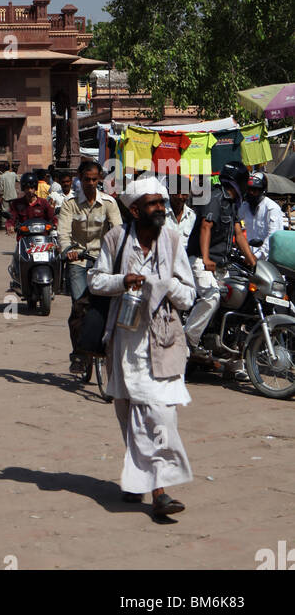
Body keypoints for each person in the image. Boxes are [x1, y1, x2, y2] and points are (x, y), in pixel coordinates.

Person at [89, 175, 197, 520]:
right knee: (128, 413)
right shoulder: (116, 239)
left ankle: (160, 492)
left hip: (164, 341)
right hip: (124, 341)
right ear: (135, 210)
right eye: (153, 204)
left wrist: (164, 287)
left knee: (158, 413)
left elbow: (189, 294)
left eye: (162, 203)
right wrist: (125, 281)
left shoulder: (173, 240)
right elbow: (95, 280)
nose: (161, 209)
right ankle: (137, 482)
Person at [184, 161, 257, 358]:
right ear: (239, 182)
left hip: (221, 265)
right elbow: (206, 226)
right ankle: (187, 340)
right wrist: (206, 257)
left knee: (240, 295)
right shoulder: (216, 197)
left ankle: (230, 354)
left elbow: (239, 235)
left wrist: (254, 263)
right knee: (212, 297)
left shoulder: (233, 204)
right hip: (200, 260)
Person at [57, 159, 123, 372]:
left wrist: (119, 253)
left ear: (100, 180)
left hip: (103, 262)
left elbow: (118, 233)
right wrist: (68, 251)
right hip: (78, 260)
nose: (91, 183)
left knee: (110, 305)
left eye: (95, 179)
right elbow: (63, 234)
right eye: (87, 179)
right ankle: (79, 354)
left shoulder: (109, 204)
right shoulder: (70, 204)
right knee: (79, 306)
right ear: (80, 179)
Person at [239, 171, 284, 260]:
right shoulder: (245, 205)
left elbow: (272, 237)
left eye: (254, 190)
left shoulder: (271, 208)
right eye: (249, 189)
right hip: (250, 256)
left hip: (268, 258)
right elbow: (235, 220)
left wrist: (256, 256)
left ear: (262, 191)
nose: (251, 193)